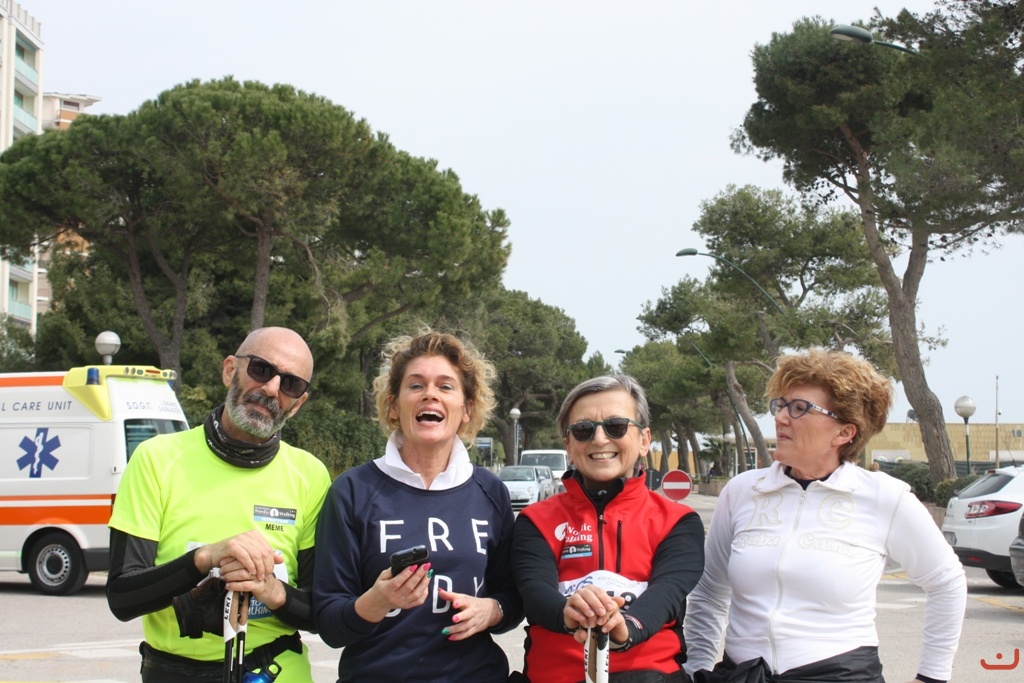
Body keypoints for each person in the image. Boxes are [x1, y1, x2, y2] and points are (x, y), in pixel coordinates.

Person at [684, 348, 967, 683]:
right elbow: (709, 591)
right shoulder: (742, 491)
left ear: (844, 433)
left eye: (799, 408)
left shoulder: (885, 497)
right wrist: (696, 667)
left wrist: (932, 677)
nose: (781, 417)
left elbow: (947, 582)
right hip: (741, 675)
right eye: (781, 405)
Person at [107, 327, 330, 682]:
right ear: (230, 370)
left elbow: (322, 613)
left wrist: (271, 591)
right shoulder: (156, 459)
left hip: (274, 671)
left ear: (298, 403)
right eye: (260, 369)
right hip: (172, 672)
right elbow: (123, 598)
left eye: (290, 384)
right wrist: (204, 559)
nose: (271, 389)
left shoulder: (311, 474)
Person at [313, 330, 524, 682]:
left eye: (445, 386)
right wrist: (377, 602)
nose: (430, 394)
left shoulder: (491, 492)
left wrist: (491, 609)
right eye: (415, 385)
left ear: (467, 408)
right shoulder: (351, 491)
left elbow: (514, 600)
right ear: (394, 406)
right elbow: (329, 624)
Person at [512, 374, 706, 682]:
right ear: (568, 444)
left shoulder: (678, 520)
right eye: (583, 430)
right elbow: (535, 592)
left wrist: (626, 629)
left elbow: (666, 594)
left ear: (644, 440)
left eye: (616, 426)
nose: (600, 440)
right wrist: (569, 614)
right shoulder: (535, 519)